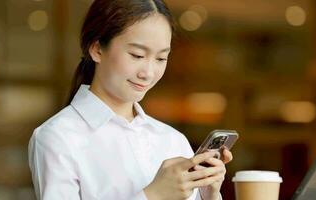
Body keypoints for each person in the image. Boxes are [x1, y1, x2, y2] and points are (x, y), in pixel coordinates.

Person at [28, 0, 233, 199]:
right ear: (97, 49)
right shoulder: (57, 137)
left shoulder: (173, 140)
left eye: (161, 58)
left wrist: (210, 192)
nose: (148, 73)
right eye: (137, 55)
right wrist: (153, 195)